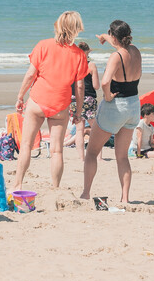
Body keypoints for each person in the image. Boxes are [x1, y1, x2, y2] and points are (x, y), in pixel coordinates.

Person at [13, 11, 89, 190]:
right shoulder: (79, 55)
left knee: (26, 145)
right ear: (76, 30)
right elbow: (79, 87)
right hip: (60, 106)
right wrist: (78, 112)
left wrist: (20, 96)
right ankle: (55, 189)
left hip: (38, 101)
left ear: (57, 26)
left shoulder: (43, 45)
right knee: (57, 151)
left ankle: (17, 184)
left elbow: (31, 74)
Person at [82, 20, 141, 207]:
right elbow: (117, 41)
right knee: (122, 156)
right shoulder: (136, 51)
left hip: (116, 106)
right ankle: (125, 198)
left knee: (91, 152)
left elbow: (106, 82)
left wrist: (107, 97)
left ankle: (85, 193)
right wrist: (103, 37)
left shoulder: (116, 56)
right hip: (133, 105)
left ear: (115, 37)